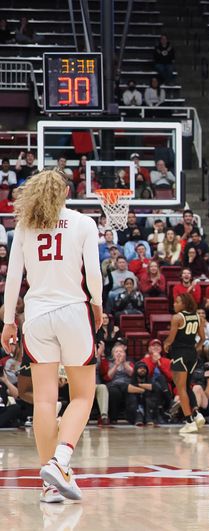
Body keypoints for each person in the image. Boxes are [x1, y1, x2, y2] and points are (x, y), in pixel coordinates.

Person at [1, 170, 103, 503]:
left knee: (45, 400)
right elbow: (94, 273)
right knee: (83, 396)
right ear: (66, 192)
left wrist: (7, 322)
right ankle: (60, 462)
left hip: (37, 315)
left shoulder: (25, 228)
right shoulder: (83, 222)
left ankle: (48, 484)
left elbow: (14, 278)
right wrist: (98, 306)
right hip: (73, 311)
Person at [163, 292, 206, 434]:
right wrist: (195, 349)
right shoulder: (198, 317)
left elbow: (171, 338)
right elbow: (202, 338)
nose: (174, 304)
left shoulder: (177, 318)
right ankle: (196, 414)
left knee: (181, 388)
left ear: (184, 304)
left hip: (179, 354)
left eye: (177, 301)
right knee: (187, 386)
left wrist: (166, 345)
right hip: (192, 355)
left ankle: (189, 422)